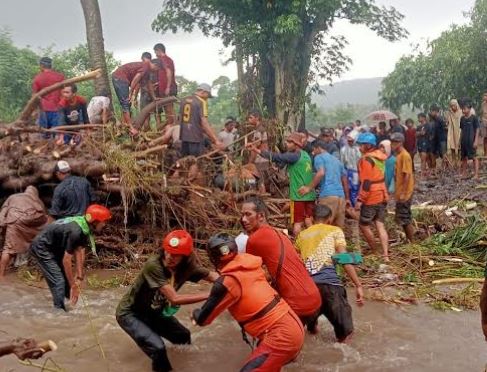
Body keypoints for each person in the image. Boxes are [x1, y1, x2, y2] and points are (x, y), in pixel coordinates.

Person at [192, 233, 305, 372]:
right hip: (293, 325)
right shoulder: (251, 265)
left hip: (281, 336)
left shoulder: (227, 282)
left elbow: (204, 319)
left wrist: (195, 313)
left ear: (213, 258)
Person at [116, 230, 217, 372]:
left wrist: (232, 282)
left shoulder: (188, 268)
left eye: (176, 255)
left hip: (153, 312)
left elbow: (214, 277)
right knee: (157, 348)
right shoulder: (154, 265)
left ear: (185, 257)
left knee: (183, 336)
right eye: (168, 251)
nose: (170, 257)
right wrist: (211, 294)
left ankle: (181, 363)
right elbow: (174, 299)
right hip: (131, 313)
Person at [240, 197, 321, 323]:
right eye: (242, 215)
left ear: (261, 216)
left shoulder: (254, 239)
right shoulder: (280, 234)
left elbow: (251, 278)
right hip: (315, 297)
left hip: (297, 303)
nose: (243, 219)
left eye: (248, 214)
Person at [295, 204, 364, 341]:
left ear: (313, 218)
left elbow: (297, 263)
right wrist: (358, 285)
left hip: (308, 289)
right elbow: (343, 258)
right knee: (346, 335)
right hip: (330, 286)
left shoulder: (302, 235)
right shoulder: (335, 231)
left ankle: (312, 326)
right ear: (329, 219)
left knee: (308, 330)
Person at [30, 204, 111, 310]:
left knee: (66, 280)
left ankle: (70, 304)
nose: (105, 224)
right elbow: (66, 260)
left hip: (54, 247)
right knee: (59, 281)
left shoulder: (84, 226)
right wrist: (73, 285)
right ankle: (59, 313)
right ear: (95, 221)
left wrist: (79, 278)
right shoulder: (76, 232)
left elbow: (79, 251)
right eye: (103, 221)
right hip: (42, 248)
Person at [247, 132, 315, 236]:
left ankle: (298, 247)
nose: (286, 144)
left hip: (298, 196)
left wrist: (257, 150)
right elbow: (284, 161)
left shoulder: (294, 156)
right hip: (309, 195)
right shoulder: (305, 155)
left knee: (297, 224)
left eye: (289, 142)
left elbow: (276, 157)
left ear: (296, 144)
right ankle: (314, 242)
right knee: (308, 220)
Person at [298, 140, 350, 229]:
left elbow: (321, 173)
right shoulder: (337, 160)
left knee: (322, 228)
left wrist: (308, 188)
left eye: (314, 150)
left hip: (328, 195)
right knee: (338, 230)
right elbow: (345, 180)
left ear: (319, 148)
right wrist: (347, 198)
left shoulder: (319, 157)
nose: (313, 152)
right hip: (341, 197)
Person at [355, 133, 390, 261]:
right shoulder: (381, 157)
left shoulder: (366, 159)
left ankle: (376, 251)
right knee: (380, 224)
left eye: (361, 145)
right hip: (382, 193)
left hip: (371, 196)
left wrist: (360, 200)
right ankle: (385, 255)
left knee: (364, 224)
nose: (359, 147)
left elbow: (366, 182)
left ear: (368, 145)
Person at [0, 186, 48, 279]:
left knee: (8, 249)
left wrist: (2, 223)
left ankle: (1, 275)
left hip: (13, 220)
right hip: (29, 223)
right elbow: (43, 217)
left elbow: (3, 211)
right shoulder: (37, 200)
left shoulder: (13, 197)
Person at [112, 58, 161, 131]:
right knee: (126, 102)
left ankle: (125, 126)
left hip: (122, 79)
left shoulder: (147, 71)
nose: (156, 71)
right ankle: (131, 128)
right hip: (120, 77)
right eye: (157, 69)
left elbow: (149, 84)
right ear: (156, 65)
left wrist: (154, 97)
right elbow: (136, 79)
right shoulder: (146, 66)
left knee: (127, 104)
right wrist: (131, 93)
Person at [179, 83, 224, 157]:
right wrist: (216, 140)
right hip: (195, 138)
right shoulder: (201, 102)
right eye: (207, 95)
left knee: (185, 162)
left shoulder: (184, 100)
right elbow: (204, 123)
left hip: (184, 137)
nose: (207, 98)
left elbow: (179, 119)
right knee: (196, 162)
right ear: (203, 92)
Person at [390, 133, 415, 242]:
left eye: (394, 142)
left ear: (400, 143)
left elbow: (407, 175)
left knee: (404, 217)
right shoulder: (398, 156)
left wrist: (403, 192)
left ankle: (413, 242)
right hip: (400, 191)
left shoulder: (405, 155)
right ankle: (410, 240)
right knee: (403, 217)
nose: (392, 145)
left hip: (405, 192)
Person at [32, 57, 65, 135]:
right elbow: (66, 92)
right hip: (58, 109)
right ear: (51, 66)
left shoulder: (37, 78)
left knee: (44, 137)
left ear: (41, 66)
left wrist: (35, 111)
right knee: (57, 136)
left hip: (43, 110)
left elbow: (35, 97)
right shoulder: (60, 77)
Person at [154, 43, 177, 126]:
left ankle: (173, 126)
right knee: (168, 109)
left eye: (155, 52)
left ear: (159, 50)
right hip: (165, 87)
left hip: (168, 88)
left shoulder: (164, 59)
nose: (155, 55)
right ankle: (171, 127)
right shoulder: (168, 59)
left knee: (169, 109)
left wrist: (168, 87)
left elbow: (168, 72)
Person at [340, 130, 361, 207]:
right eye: (348, 141)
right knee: (348, 189)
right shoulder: (343, 149)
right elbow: (342, 163)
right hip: (348, 171)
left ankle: (355, 207)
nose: (349, 142)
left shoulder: (359, 149)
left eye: (351, 141)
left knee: (356, 190)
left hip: (357, 172)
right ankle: (350, 207)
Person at [460, 100, 480, 180]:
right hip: (464, 141)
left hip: (471, 141)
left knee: (474, 157)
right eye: (462, 109)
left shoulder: (474, 118)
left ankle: (476, 174)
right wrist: (459, 141)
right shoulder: (462, 119)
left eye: (465, 109)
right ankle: (464, 173)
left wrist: (476, 141)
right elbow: (461, 130)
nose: (463, 110)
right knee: (464, 158)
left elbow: (477, 129)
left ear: (469, 108)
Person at [430, 104, 448, 170]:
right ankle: (444, 169)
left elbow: (446, 127)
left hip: (442, 139)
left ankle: (445, 169)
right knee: (441, 154)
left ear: (436, 111)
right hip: (438, 140)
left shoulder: (440, 119)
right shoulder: (435, 119)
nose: (431, 113)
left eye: (432, 111)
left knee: (444, 154)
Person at [445, 99, 462, 165]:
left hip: (459, 130)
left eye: (454, 106)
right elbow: (447, 122)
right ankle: (454, 161)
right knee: (452, 145)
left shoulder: (461, 112)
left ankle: (459, 162)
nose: (453, 107)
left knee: (459, 146)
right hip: (452, 131)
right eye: (451, 106)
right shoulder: (450, 113)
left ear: (456, 105)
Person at [416, 113, 431, 178]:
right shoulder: (418, 126)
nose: (419, 119)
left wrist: (419, 133)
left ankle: (425, 172)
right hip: (420, 142)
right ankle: (424, 172)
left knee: (425, 158)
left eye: (420, 117)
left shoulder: (427, 125)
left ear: (424, 118)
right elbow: (416, 134)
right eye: (418, 117)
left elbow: (423, 133)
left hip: (426, 142)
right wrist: (419, 133)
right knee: (422, 159)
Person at [480, 92, 487, 156]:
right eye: (484, 95)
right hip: (484, 122)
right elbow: (481, 113)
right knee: (485, 138)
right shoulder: (483, 104)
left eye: (486, 96)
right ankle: (485, 153)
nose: (484, 97)